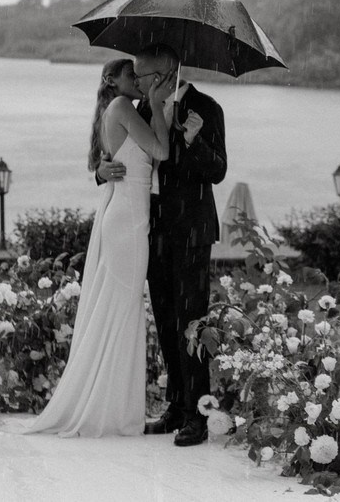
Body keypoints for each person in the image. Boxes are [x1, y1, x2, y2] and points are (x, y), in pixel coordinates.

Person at [26, 58, 174, 437]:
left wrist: (155, 105)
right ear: (115, 80)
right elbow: (161, 152)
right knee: (122, 308)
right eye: (133, 75)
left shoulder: (118, 108)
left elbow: (125, 157)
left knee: (121, 309)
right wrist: (157, 104)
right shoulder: (123, 107)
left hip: (127, 215)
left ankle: (113, 405)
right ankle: (108, 408)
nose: (139, 80)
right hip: (127, 220)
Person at [98, 44, 227, 447]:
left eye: (142, 76)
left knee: (192, 324)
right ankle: (174, 407)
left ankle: (198, 415)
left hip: (190, 232)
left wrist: (192, 140)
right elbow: (122, 158)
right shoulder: (139, 109)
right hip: (149, 232)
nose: (136, 83)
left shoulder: (206, 108)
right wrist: (102, 172)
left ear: (165, 75)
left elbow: (218, 169)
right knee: (168, 323)